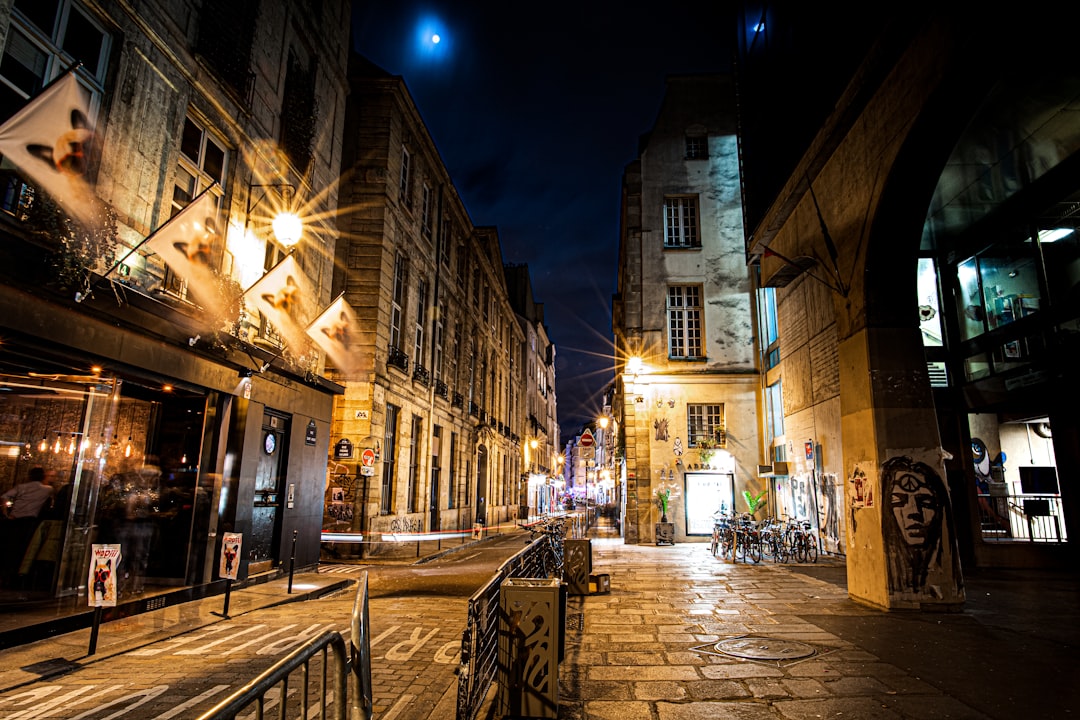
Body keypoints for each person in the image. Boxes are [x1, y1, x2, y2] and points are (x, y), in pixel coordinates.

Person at [1, 467, 55, 587]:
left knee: (10, 549)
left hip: (14, 520)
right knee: (24, 549)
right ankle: (18, 577)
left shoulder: (21, 487)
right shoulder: (47, 489)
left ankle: (6, 577)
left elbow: (5, 497)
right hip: (29, 522)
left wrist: (6, 513)